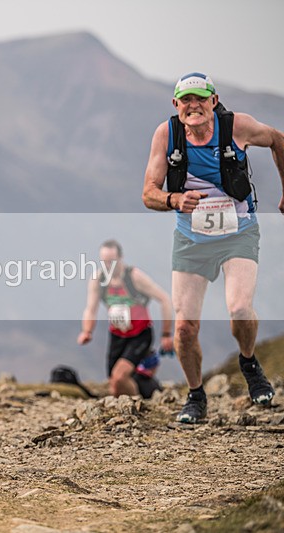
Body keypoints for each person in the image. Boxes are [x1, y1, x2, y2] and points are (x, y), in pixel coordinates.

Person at [142, 72, 284, 423]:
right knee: (185, 329)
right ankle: (195, 395)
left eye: (200, 98)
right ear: (176, 106)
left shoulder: (237, 127)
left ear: (213, 101)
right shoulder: (167, 134)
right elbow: (148, 193)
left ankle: (248, 362)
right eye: (186, 100)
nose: (194, 106)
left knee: (239, 309)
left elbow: (279, 140)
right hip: (192, 240)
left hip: (239, 232)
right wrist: (175, 199)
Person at [78, 240, 175, 399]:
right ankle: (143, 395)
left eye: (112, 261)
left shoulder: (134, 277)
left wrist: (166, 334)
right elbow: (90, 308)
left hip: (140, 335)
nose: (108, 265)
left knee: (119, 376)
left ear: (121, 258)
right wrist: (87, 331)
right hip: (117, 335)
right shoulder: (98, 279)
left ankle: (138, 407)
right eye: (104, 262)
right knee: (114, 384)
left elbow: (164, 299)